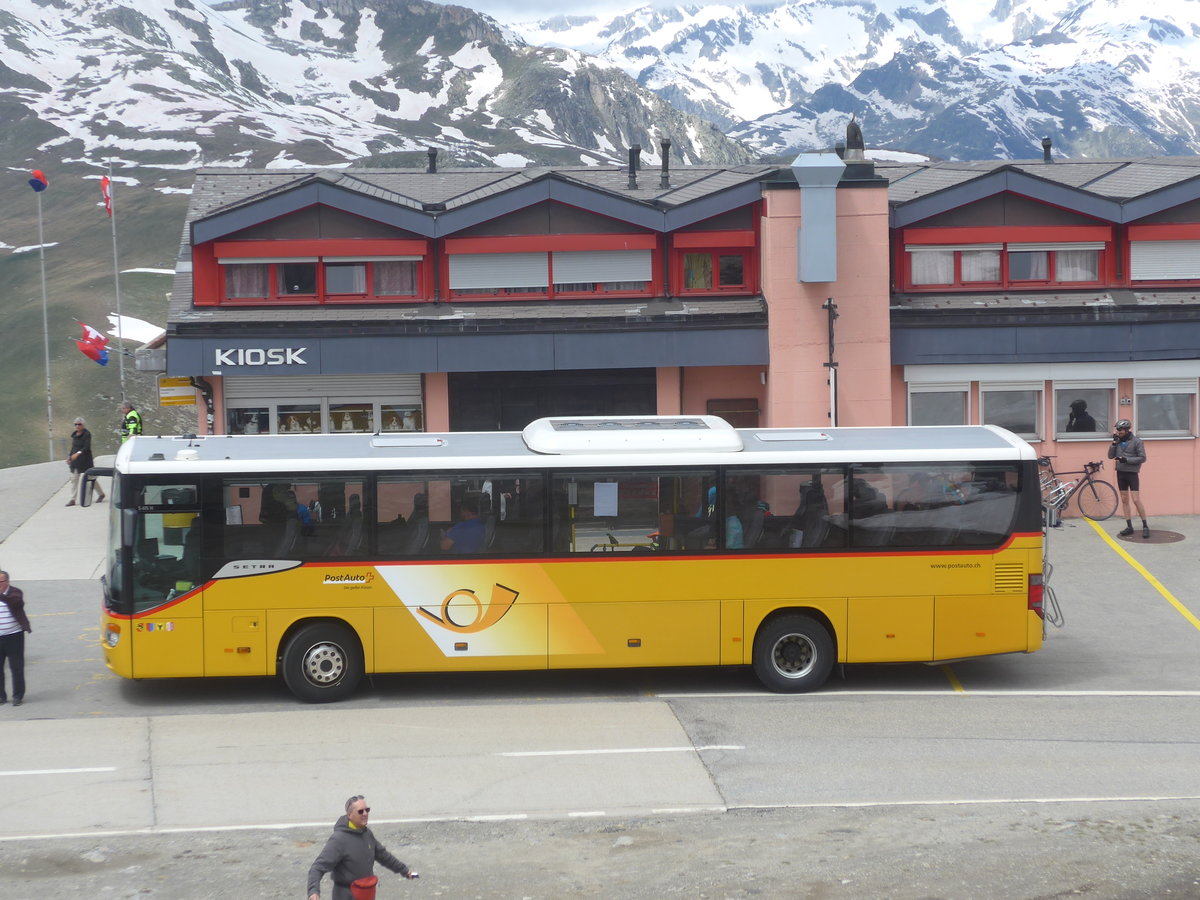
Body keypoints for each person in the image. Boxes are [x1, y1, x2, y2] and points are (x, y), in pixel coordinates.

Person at [307, 795, 417, 900]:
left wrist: (405, 871)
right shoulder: (339, 840)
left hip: (366, 894)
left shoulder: (366, 833)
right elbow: (317, 867)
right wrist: (313, 892)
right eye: (360, 811)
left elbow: (384, 856)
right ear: (349, 815)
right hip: (346, 896)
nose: (365, 814)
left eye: (367, 810)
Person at [1107, 419, 1149, 539]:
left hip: (1132, 473)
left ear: (1126, 430)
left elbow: (1143, 458)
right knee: (1124, 500)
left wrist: (1127, 460)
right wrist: (1114, 444)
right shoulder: (1118, 441)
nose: (1118, 431)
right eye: (1117, 430)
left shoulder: (1137, 441)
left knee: (1135, 500)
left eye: (1120, 430)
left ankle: (1145, 525)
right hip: (1121, 473)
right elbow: (1110, 456)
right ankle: (1129, 526)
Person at [0, 571, 32, 707]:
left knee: (16, 667)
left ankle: (18, 695)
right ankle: (1, 696)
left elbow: (17, 603)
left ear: (7, 582)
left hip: (14, 636)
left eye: (0, 582)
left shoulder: (15, 593)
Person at [66, 417, 106, 506]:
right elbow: (73, 448)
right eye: (75, 424)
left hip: (85, 460)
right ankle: (72, 499)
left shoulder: (87, 434)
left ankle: (101, 494)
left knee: (91, 478)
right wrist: (70, 456)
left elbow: (86, 447)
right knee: (74, 479)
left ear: (83, 425)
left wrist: (78, 453)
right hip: (75, 462)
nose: (77, 426)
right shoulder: (74, 435)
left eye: (79, 424)